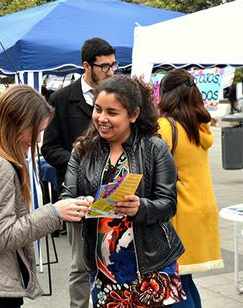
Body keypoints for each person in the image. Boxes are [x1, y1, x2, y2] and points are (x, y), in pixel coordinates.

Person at [0, 85, 92, 307]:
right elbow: (0, 237)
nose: (37, 139)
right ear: (17, 123)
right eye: (36, 131)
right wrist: (54, 212)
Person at [61, 75, 186, 307]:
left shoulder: (154, 148)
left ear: (134, 114)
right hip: (104, 269)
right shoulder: (82, 151)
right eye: (98, 109)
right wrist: (79, 205)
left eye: (112, 112)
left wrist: (141, 206)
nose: (102, 118)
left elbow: (168, 204)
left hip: (150, 266)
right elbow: (67, 197)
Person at [41, 37, 116, 308]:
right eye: (104, 66)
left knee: (113, 259)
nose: (110, 72)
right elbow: (49, 148)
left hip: (112, 194)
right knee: (79, 266)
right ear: (87, 66)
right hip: (78, 197)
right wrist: (79, 161)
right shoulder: (62, 99)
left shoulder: (117, 95)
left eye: (113, 65)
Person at [158, 69, 224, 308]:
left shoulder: (165, 127)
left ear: (166, 94)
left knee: (175, 286)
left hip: (179, 214)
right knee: (185, 281)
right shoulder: (199, 125)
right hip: (202, 209)